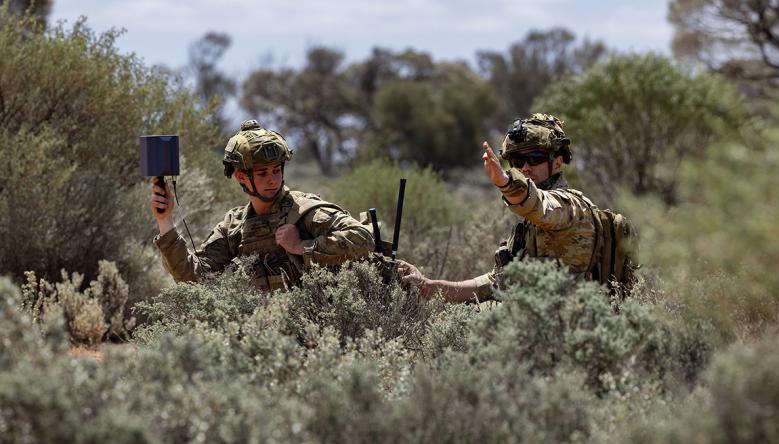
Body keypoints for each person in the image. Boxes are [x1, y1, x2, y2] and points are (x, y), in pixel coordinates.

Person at [398, 113, 607, 302]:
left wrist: (507, 184)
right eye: (518, 160)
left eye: (535, 158)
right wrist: (427, 285)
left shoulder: (570, 206)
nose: (525, 168)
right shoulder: (530, 222)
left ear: (558, 162)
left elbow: (540, 204)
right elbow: (492, 285)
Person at [151, 119, 374, 291]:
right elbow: (195, 278)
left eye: (277, 170)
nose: (272, 179)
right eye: (262, 173)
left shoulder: (304, 210)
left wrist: (301, 247)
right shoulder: (235, 225)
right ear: (240, 177)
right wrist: (165, 221)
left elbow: (363, 239)